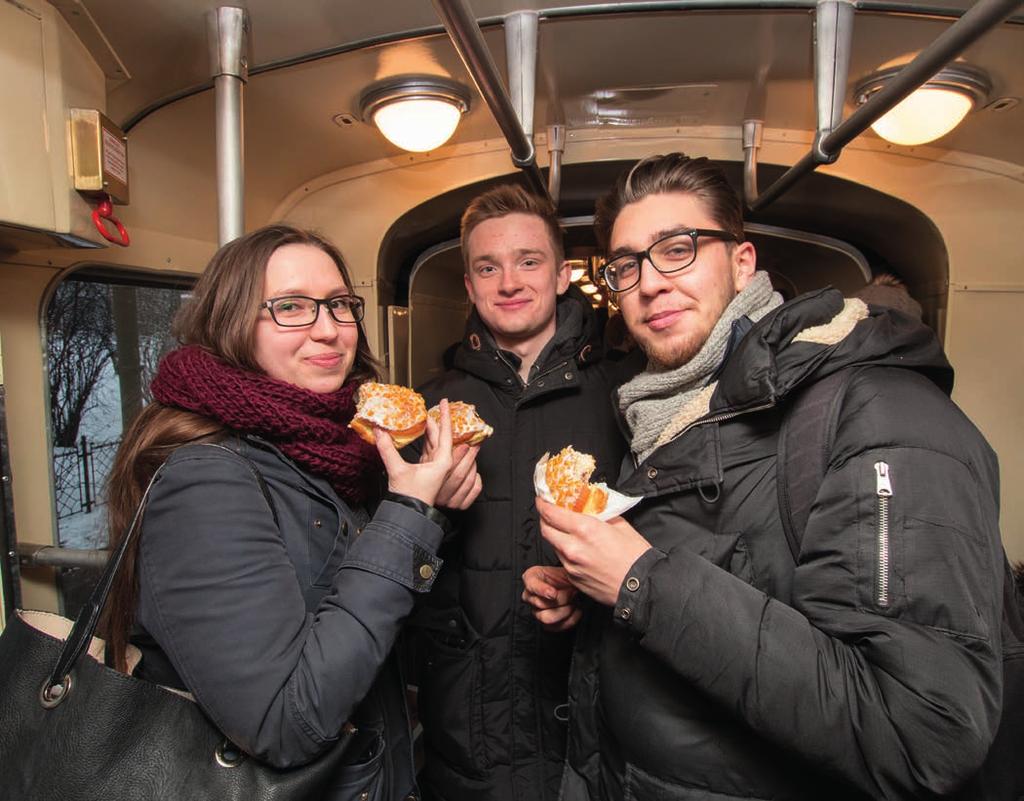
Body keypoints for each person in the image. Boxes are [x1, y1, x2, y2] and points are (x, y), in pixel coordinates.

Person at [523, 154, 1005, 800]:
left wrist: (640, 580)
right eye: (627, 265)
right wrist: (594, 595)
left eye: (679, 248)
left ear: (743, 262)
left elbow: (923, 729)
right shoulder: (663, 415)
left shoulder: (875, 409)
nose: (650, 283)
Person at [101, 224, 475, 801]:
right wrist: (407, 512)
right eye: (290, 308)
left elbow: (358, 626)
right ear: (231, 324)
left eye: (339, 305)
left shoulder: (339, 450)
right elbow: (283, 722)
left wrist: (433, 513)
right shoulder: (205, 475)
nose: (327, 330)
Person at [409, 185, 628, 801]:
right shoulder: (430, 408)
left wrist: (589, 598)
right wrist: (433, 513)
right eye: (488, 266)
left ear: (562, 275)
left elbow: (666, 557)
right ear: (470, 285)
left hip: (594, 735)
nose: (509, 281)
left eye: (528, 261)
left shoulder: (624, 398)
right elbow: (394, 577)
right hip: (469, 735)